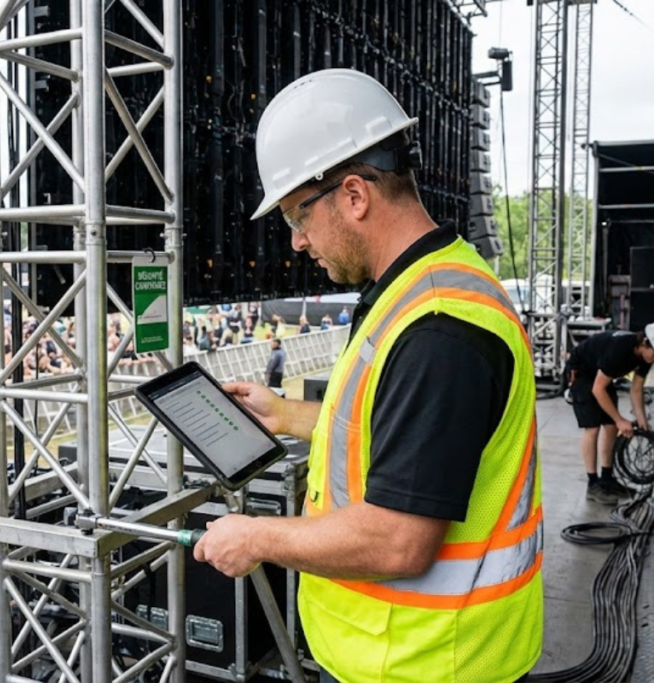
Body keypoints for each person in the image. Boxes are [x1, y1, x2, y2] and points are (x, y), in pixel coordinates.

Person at [193, 70, 541, 683]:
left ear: (354, 195)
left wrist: (257, 537)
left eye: (297, 216)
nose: (298, 242)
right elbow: (400, 439)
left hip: (426, 664)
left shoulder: (437, 329)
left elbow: (397, 540)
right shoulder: (418, 291)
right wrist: (285, 415)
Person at [564, 325, 654, 504]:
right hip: (582, 372)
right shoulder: (620, 350)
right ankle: (593, 484)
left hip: (602, 376)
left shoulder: (646, 356)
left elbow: (636, 389)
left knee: (611, 426)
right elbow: (598, 389)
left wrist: (642, 421)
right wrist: (620, 419)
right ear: (644, 342)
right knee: (592, 427)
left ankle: (607, 479)